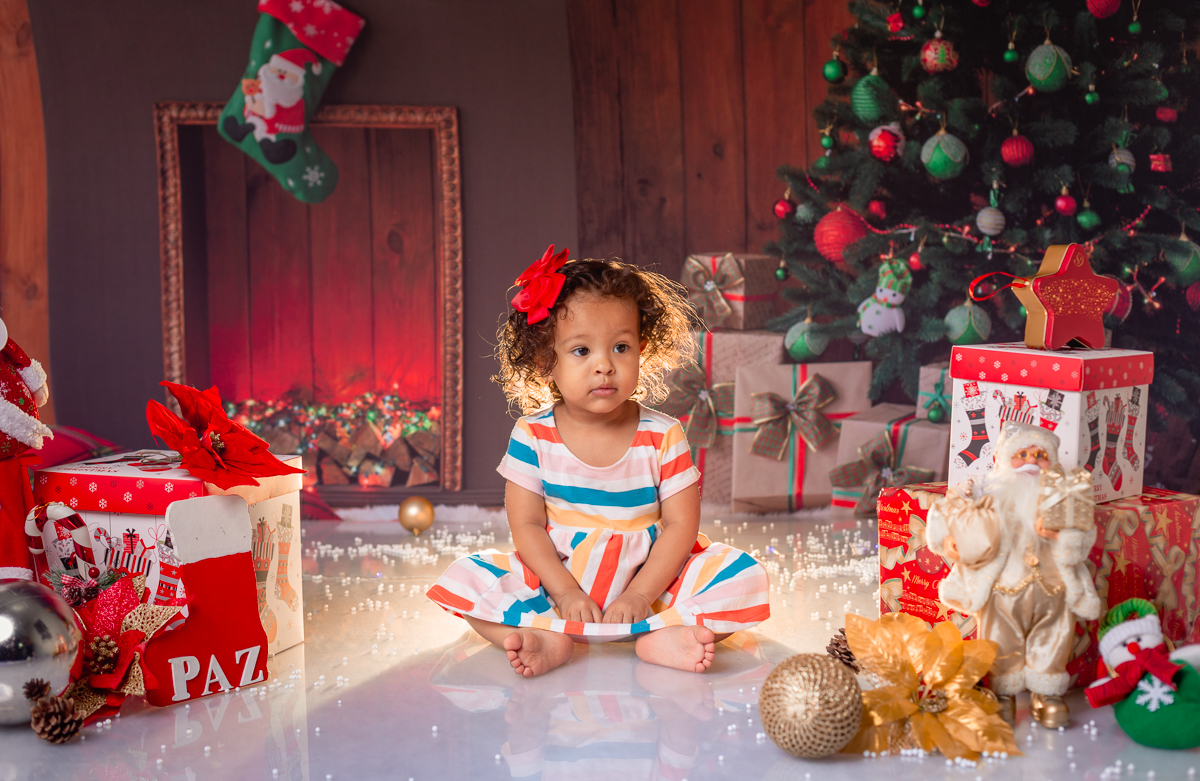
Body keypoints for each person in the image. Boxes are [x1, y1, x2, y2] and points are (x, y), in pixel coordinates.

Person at [427, 246, 770, 677]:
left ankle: (661, 635)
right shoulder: (533, 435)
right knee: (466, 578)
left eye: (621, 347)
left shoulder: (663, 433)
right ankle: (546, 636)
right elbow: (527, 526)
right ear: (544, 359)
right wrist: (566, 592)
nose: (605, 366)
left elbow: (682, 526)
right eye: (581, 351)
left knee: (744, 577)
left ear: (642, 349)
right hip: (557, 583)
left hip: (652, 584)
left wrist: (640, 596)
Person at [926, 421, 1100, 728]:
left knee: (1054, 636)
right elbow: (949, 512)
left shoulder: (1063, 497)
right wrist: (948, 540)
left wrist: (1063, 536)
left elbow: (1083, 537)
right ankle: (1002, 689)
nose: (1032, 461)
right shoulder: (987, 494)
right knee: (998, 638)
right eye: (1022, 454)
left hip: (1053, 588)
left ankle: (1046, 692)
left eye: (1040, 455)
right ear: (1005, 459)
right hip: (1003, 589)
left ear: (1052, 462)